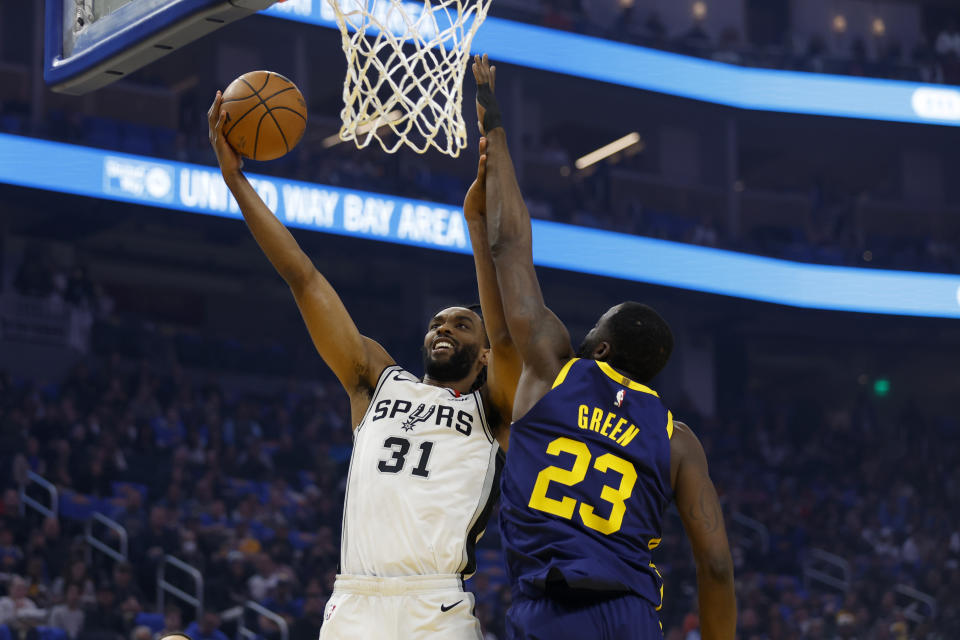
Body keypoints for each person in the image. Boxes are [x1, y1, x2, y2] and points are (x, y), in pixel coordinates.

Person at [207, 89, 521, 640]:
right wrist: (237, 183)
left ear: (486, 352)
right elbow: (304, 278)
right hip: (355, 599)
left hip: (436, 605)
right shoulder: (377, 379)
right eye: (437, 322)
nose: (443, 327)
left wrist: (476, 227)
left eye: (460, 324)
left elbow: (507, 333)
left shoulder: (494, 409)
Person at [471, 55, 737, 639]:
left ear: (603, 346)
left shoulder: (553, 366)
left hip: (550, 610)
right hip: (632, 617)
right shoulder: (677, 440)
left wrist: (494, 123)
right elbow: (716, 565)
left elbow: (509, 247)